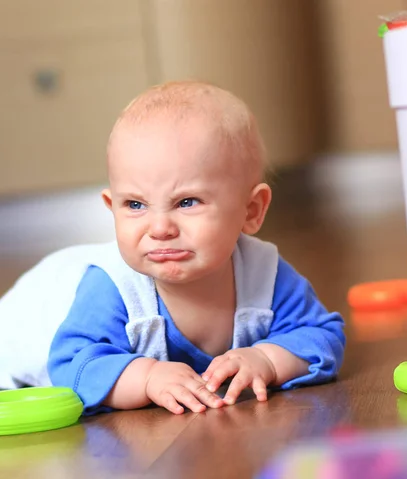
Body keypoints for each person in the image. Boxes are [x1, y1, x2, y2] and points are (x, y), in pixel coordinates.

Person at [46, 80, 345, 416]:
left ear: (251, 210)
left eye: (187, 202)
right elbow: (69, 365)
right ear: (110, 206)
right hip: (42, 306)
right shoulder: (114, 286)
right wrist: (146, 377)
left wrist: (267, 358)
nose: (160, 229)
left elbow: (322, 335)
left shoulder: (264, 274)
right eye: (134, 204)